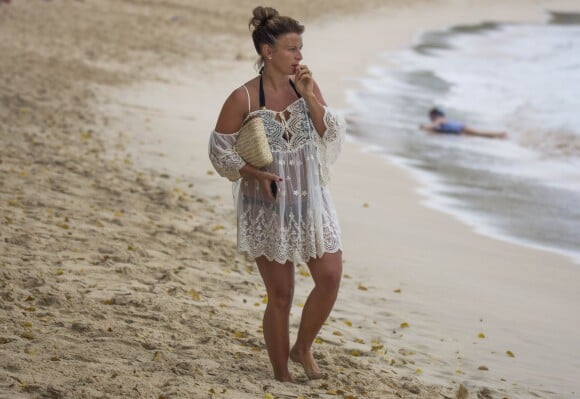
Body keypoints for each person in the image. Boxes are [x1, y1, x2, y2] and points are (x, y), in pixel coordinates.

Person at [208, 6, 345, 382]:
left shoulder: (305, 86)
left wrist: (309, 96)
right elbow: (219, 151)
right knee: (281, 294)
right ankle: (282, 373)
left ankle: (303, 347)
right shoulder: (244, 98)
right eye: (292, 49)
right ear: (268, 52)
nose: (300, 57)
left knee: (330, 276)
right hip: (266, 205)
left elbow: (328, 134)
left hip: (310, 198)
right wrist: (251, 172)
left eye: (301, 48)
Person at [419, 107, 507, 139]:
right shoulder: (441, 119)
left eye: (430, 117)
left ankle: (501, 134)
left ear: (435, 115)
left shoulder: (439, 119)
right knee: (480, 135)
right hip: (460, 130)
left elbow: (434, 126)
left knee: (480, 133)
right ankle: (499, 136)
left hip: (461, 128)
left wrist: (425, 127)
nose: (430, 119)